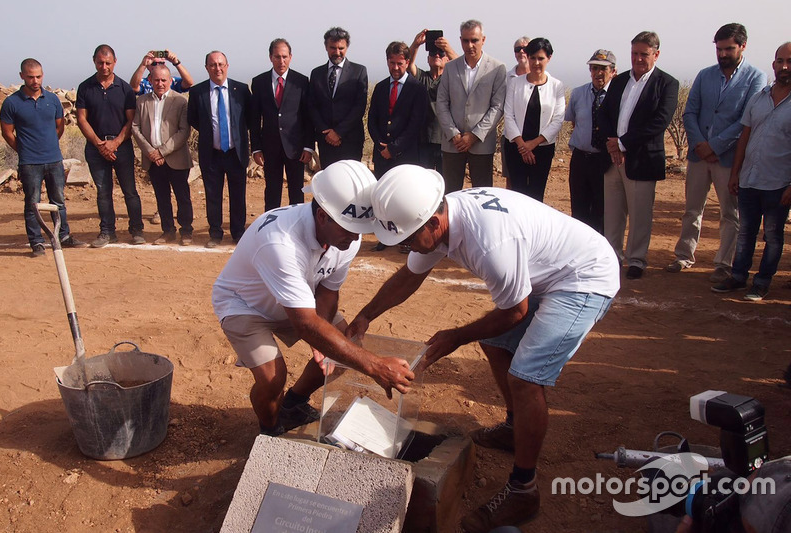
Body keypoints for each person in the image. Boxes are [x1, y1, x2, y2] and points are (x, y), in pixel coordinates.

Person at [347, 166, 619, 531]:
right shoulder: (438, 219)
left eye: (408, 239)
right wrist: (365, 316)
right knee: (494, 344)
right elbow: (409, 277)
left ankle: (524, 489)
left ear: (433, 223)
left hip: (584, 278)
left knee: (526, 376)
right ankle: (513, 426)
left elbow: (516, 311)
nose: (404, 247)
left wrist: (456, 336)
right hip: (547, 274)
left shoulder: (490, 243)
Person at [212, 161, 415, 436]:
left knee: (345, 349)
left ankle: (293, 404)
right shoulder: (280, 242)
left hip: (298, 299)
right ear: (322, 216)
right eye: (349, 227)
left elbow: (328, 291)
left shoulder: (346, 237)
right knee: (273, 380)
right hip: (246, 305)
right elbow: (305, 323)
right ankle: (270, 433)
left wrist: (325, 337)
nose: (356, 236)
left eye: (360, 227)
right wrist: (374, 365)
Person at [666, 24, 766, 283]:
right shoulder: (704, 75)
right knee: (692, 209)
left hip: (729, 158)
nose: (722, 54)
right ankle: (683, 256)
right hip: (699, 155)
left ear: (742, 46)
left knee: (729, 213)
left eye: (728, 49)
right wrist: (700, 143)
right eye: (719, 49)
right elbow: (690, 112)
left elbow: (746, 119)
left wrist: (716, 146)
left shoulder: (756, 77)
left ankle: (723, 263)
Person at [712, 42, 791, 301]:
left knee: (773, 236)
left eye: (789, 61)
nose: (784, 66)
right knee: (746, 231)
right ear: (774, 64)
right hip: (749, 179)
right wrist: (735, 173)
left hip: (778, 182)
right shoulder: (760, 97)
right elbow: (744, 137)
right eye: (780, 61)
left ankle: (762, 281)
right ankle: (738, 276)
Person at [598, 31, 679, 279]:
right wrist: (613, 144)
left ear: (656, 54)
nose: (638, 59)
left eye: (644, 54)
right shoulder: (620, 80)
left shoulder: (667, 84)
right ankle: (612, 258)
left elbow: (659, 122)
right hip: (613, 160)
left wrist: (623, 144)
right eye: (634, 53)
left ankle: (636, 260)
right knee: (613, 214)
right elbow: (604, 114)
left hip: (641, 160)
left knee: (640, 214)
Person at [0, 58, 86, 257]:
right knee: (33, 203)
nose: (35, 81)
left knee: (59, 201)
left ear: (43, 75)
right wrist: (24, 150)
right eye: (30, 77)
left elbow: (59, 126)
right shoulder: (12, 102)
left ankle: (64, 236)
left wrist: (49, 146)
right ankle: (36, 242)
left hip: (54, 159)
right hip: (29, 163)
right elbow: (7, 132)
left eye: (38, 76)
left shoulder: (52, 100)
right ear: (22, 76)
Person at [76, 44, 144, 248]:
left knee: (130, 190)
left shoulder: (125, 89)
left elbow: (131, 121)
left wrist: (114, 143)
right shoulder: (85, 87)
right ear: (94, 62)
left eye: (108, 62)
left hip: (121, 146)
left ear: (115, 62)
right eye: (100, 62)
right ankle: (107, 232)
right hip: (96, 148)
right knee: (103, 191)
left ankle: (136, 230)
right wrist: (100, 144)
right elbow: (81, 119)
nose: (104, 66)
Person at [187, 51, 251, 248]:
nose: (218, 68)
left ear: (227, 65)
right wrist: (210, 134)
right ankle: (215, 233)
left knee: (238, 195)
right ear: (206, 68)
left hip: (235, 152)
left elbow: (249, 118)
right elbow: (193, 119)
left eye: (221, 64)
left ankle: (238, 233)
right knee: (213, 195)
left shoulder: (240, 90)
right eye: (213, 65)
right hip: (211, 153)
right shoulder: (198, 92)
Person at [436, 19, 506, 193]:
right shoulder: (451, 68)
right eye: (466, 40)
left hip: (481, 144)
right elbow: (442, 103)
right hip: (453, 144)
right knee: (450, 194)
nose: (470, 45)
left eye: (474, 40)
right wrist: (454, 134)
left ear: (483, 40)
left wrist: (474, 135)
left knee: (482, 194)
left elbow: (497, 107)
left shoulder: (497, 69)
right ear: (460, 41)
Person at [131, 64, 194, 246]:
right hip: (153, 160)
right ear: (150, 80)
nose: (160, 83)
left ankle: (186, 231)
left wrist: (162, 151)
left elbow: (184, 131)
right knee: (162, 197)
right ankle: (168, 231)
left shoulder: (180, 101)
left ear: (170, 81)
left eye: (164, 80)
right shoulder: (142, 101)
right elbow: (135, 128)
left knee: (183, 196)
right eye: (156, 80)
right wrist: (151, 152)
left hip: (176, 158)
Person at [250, 38, 314, 212]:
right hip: (270, 147)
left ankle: (297, 228)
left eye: (285, 57)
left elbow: (308, 117)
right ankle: (271, 228)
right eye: (277, 57)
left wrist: (308, 147)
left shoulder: (301, 81)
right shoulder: (259, 82)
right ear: (270, 57)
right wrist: (256, 148)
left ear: (291, 57)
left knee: (296, 192)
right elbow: (254, 118)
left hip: (295, 148)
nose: (281, 61)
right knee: (272, 191)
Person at [503, 37, 565, 202]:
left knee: (537, 196)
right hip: (516, 148)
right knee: (517, 194)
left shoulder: (556, 86)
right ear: (527, 57)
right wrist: (522, 145)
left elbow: (558, 119)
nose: (536, 62)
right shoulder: (515, 83)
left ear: (549, 58)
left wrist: (534, 143)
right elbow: (508, 115)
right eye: (533, 58)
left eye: (541, 58)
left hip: (542, 149)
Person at [565, 49, 618, 233]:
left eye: (603, 69)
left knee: (601, 211)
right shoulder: (578, 93)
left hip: (605, 161)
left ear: (613, 71)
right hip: (580, 159)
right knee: (579, 210)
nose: (598, 73)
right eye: (594, 68)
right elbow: (574, 122)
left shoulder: (618, 97)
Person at [308, 27, 368, 169]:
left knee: (350, 183)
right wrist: (326, 132)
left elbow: (359, 106)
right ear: (326, 47)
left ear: (347, 47)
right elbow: (312, 105)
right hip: (325, 140)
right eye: (332, 48)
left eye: (341, 48)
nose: (337, 52)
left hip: (350, 140)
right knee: (329, 182)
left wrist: (339, 132)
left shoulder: (359, 71)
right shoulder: (316, 73)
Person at [367, 41, 428, 179]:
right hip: (381, 157)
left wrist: (394, 148)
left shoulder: (418, 89)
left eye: (399, 64)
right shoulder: (380, 87)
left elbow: (416, 124)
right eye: (392, 63)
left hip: (405, 158)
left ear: (407, 62)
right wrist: (381, 145)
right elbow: (372, 120)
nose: (395, 67)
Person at [408, 28, 459, 173]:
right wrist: (416, 44)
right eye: (432, 53)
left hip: (447, 140)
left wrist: (447, 48)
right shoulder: (422, 77)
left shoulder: (451, 78)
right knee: (424, 181)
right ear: (428, 59)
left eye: (440, 54)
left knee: (446, 181)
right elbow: (408, 63)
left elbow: (463, 66)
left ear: (447, 59)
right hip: (424, 140)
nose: (436, 55)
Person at [501, 36, 531, 187]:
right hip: (511, 138)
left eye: (525, 48)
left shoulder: (541, 78)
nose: (522, 52)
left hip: (533, 139)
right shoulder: (507, 77)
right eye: (518, 49)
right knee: (511, 179)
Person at [129, 49, 193, 95]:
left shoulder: (171, 81)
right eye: (154, 63)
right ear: (148, 67)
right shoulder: (144, 83)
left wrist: (176, 63)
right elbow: (134, 87)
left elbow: (189, 83)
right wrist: (143, 65)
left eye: (161, 63)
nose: (158, 66)